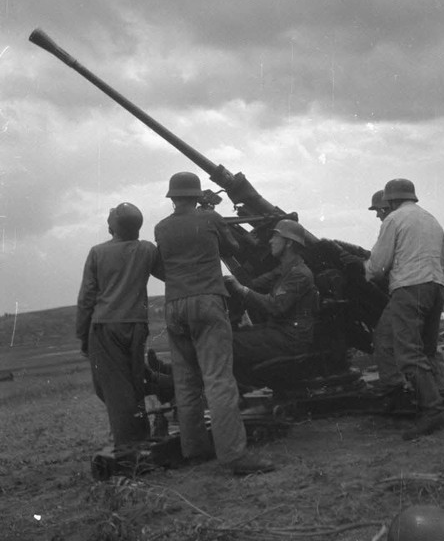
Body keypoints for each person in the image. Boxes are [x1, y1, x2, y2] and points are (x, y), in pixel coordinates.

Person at [154, 171, 274, 475]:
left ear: (172, 197)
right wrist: (212, 214)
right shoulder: (209, 219)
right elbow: (234, 248)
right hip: (207, 301)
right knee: (219, 380)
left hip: (174, 305)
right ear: (196, 196)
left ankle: (195, 450)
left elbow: (162, 265)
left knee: (185, 381)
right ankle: (234, 456)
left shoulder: (161, 228)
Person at [366, 178, 444, 439]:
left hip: (410, 289)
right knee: (425, 349)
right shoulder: (431, 220)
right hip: (437, 287)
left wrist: (363, 269)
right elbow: (442, 259)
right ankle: (437, 398)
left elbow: (378, 265)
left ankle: (433, 412)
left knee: (408, 354)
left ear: (390, 200)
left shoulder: (394, 219)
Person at [76, 202, 162, 449]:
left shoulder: (97, 253)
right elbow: (168, 272)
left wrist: (83, 336)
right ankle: (141, 437)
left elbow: (86, 299)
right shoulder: (147, 249)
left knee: (112, 388)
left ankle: (128, 448)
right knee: (135, 384)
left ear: (112, 226)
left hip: (105, 327)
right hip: (136, 325)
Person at [225, 219, 319, 386]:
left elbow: (275, 306)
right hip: (279, 333)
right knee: (227, 337)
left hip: (290, 339)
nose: (270, 241)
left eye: (275, 237)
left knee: (226, 343)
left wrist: (242, 290)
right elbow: (253, 285)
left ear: (289, 243)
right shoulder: (284, 270)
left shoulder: (300, 274)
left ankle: (240, 391)